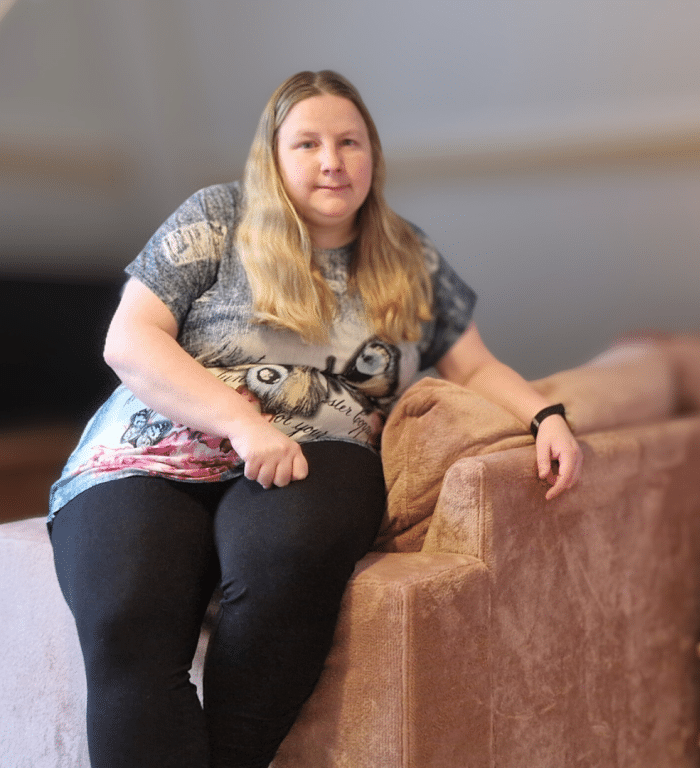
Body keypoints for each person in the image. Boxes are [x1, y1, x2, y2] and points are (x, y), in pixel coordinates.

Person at [48, 70, 583, 768]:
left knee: (287, 560)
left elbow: (473, 365)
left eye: (349, 142)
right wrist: (241, 423)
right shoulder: (216, 216)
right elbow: (129, 339)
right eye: (307, 143)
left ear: (373, 155)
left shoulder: (409, 256)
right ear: (273, 157)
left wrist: (546, 415)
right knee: (127, 621)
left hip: (319, 444)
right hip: (149, 444)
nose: (332, 161)